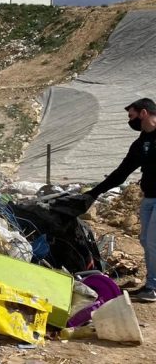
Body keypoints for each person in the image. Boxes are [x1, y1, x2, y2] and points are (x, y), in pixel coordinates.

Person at [77, 98, 156, 302]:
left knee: (153, 241)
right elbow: (121, 173)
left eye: (132, 116)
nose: (130, 121)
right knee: (146, 241)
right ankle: (151, 283)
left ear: (144, 113)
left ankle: (153, 287)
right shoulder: (141, 143)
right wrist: (94, 193)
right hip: (149, 199)